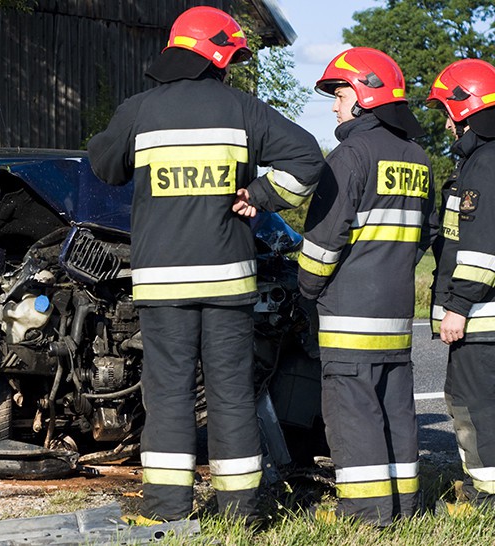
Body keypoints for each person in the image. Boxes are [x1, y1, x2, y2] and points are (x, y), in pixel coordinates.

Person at [87, 6, 324, 524]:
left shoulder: (140, 110)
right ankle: (241, 513)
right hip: (228, 281)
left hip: (162, 285)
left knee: (169, 395)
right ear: (218, 57)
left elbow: (104, 167)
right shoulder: (244, 109)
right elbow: (309, 159)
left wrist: (110, 135)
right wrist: (260, 194)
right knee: (232, 395)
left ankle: (168, 512)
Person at [298, 47, 437, 526]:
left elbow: (322, 240)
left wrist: (308, 288)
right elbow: (423, 235)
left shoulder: (349, 156)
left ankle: (367, 514)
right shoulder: (418, 159)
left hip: (349, 313)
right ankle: (406, 508)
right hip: (396, 314)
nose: (334, 107)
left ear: (362, 96)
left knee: (353, 413)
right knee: (395, 408)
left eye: (338, 95)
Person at [427, 58, 495, 512]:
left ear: (462, 108)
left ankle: (484, 499)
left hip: (481, 318)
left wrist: (458, 306)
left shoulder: (484, 164)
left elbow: (480, 249)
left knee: (476, 408)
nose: (447, 125)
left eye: (446, 112)